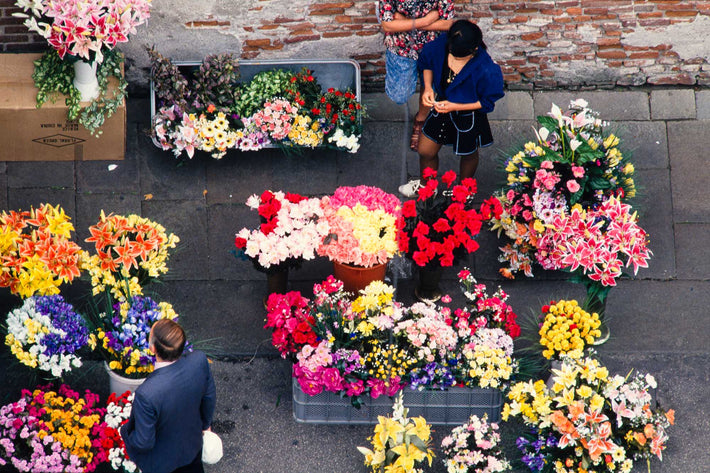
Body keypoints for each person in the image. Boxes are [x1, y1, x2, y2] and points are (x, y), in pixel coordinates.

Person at [398, 20, 505, 197]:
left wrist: (456, 106)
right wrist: (428, 87)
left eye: (459, 57)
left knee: (469, 153)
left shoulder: (487, 68)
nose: (454, 60)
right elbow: (427, 62)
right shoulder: (442, 44)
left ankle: (464, 191)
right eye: (452, 55)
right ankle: (427, 187)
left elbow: (487, 102)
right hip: (441, 107)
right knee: (425, 150)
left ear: (474, 50)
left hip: (468, 114)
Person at [121, 319, 217, 473]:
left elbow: (144, 442)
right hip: (193, 446)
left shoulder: (147, 394)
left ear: (153, 348)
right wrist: (205, 426)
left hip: (162, 464)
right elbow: (209, 398)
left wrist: (125, 432)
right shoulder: (198, 361)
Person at [379, 0, 455, 151]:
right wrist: (426, 20)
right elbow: (387, 25)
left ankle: (420, 120)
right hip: (401, 48)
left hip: (433, 48)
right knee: (399, 96)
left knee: (430, 90)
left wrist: (406, 22)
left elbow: (447, 24)